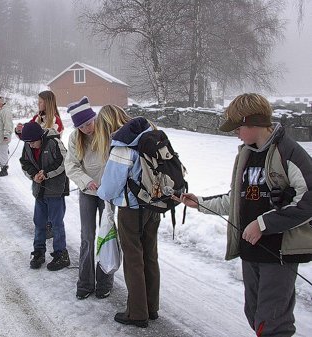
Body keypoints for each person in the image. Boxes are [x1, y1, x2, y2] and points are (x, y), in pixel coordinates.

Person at [177, 93, 312, 337]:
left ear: (253, 122)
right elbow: (237, 199)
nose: (235, 133)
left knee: (273, 324)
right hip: (250, 251)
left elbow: (308, 200)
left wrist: (263, 224)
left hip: (278, 252)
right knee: (255, 316)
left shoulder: (289, 152)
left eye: (238, 127)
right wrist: (201, 203)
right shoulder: (246, 154)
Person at [97, 116, 160, 328]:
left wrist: (101, 192)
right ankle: (151, 307)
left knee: (133, 260)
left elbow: (109, 187)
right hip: (154, 207)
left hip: (131, 210)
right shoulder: (152, 138)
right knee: (150, 256)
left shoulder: (123, 146)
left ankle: (137, 313)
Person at [65, 97, 117, 300]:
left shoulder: (107, 133)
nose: (87, 128)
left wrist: (110, 183)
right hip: (88, 193)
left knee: (107, 237)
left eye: (88, 123)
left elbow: (116, 161)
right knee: (87, 237)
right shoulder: (74, 138)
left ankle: (105, 281)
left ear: (94, 118)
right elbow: (72, 165)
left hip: (108, 194)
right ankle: (85, 282)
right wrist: (86, 181)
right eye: (82, 126)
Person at [19, 121, 71, 271]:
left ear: (40, 137)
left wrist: (46, 173)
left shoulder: (54, 143)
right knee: (39, 222)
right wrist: (34, 175)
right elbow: (24, 162)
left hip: (55, 191)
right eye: (27, 143)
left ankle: (61, 254)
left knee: (56, 223)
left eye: (33, 142)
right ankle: (38, 252)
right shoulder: (28, 145)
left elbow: (64, 161)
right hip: (39, 191)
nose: (30, 145)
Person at [15, 90, 64, 239]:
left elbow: (53, 138)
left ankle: (50, 224)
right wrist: (20, 132)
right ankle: (44, 223)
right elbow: (29, 133)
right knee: (41, 195)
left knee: (51, 196)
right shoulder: (37, 117)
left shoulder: (55, 120)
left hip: (49, 159)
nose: (38, 104)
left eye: (40, 102)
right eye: (38, 102)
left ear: (47, 103)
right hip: (37, 161)